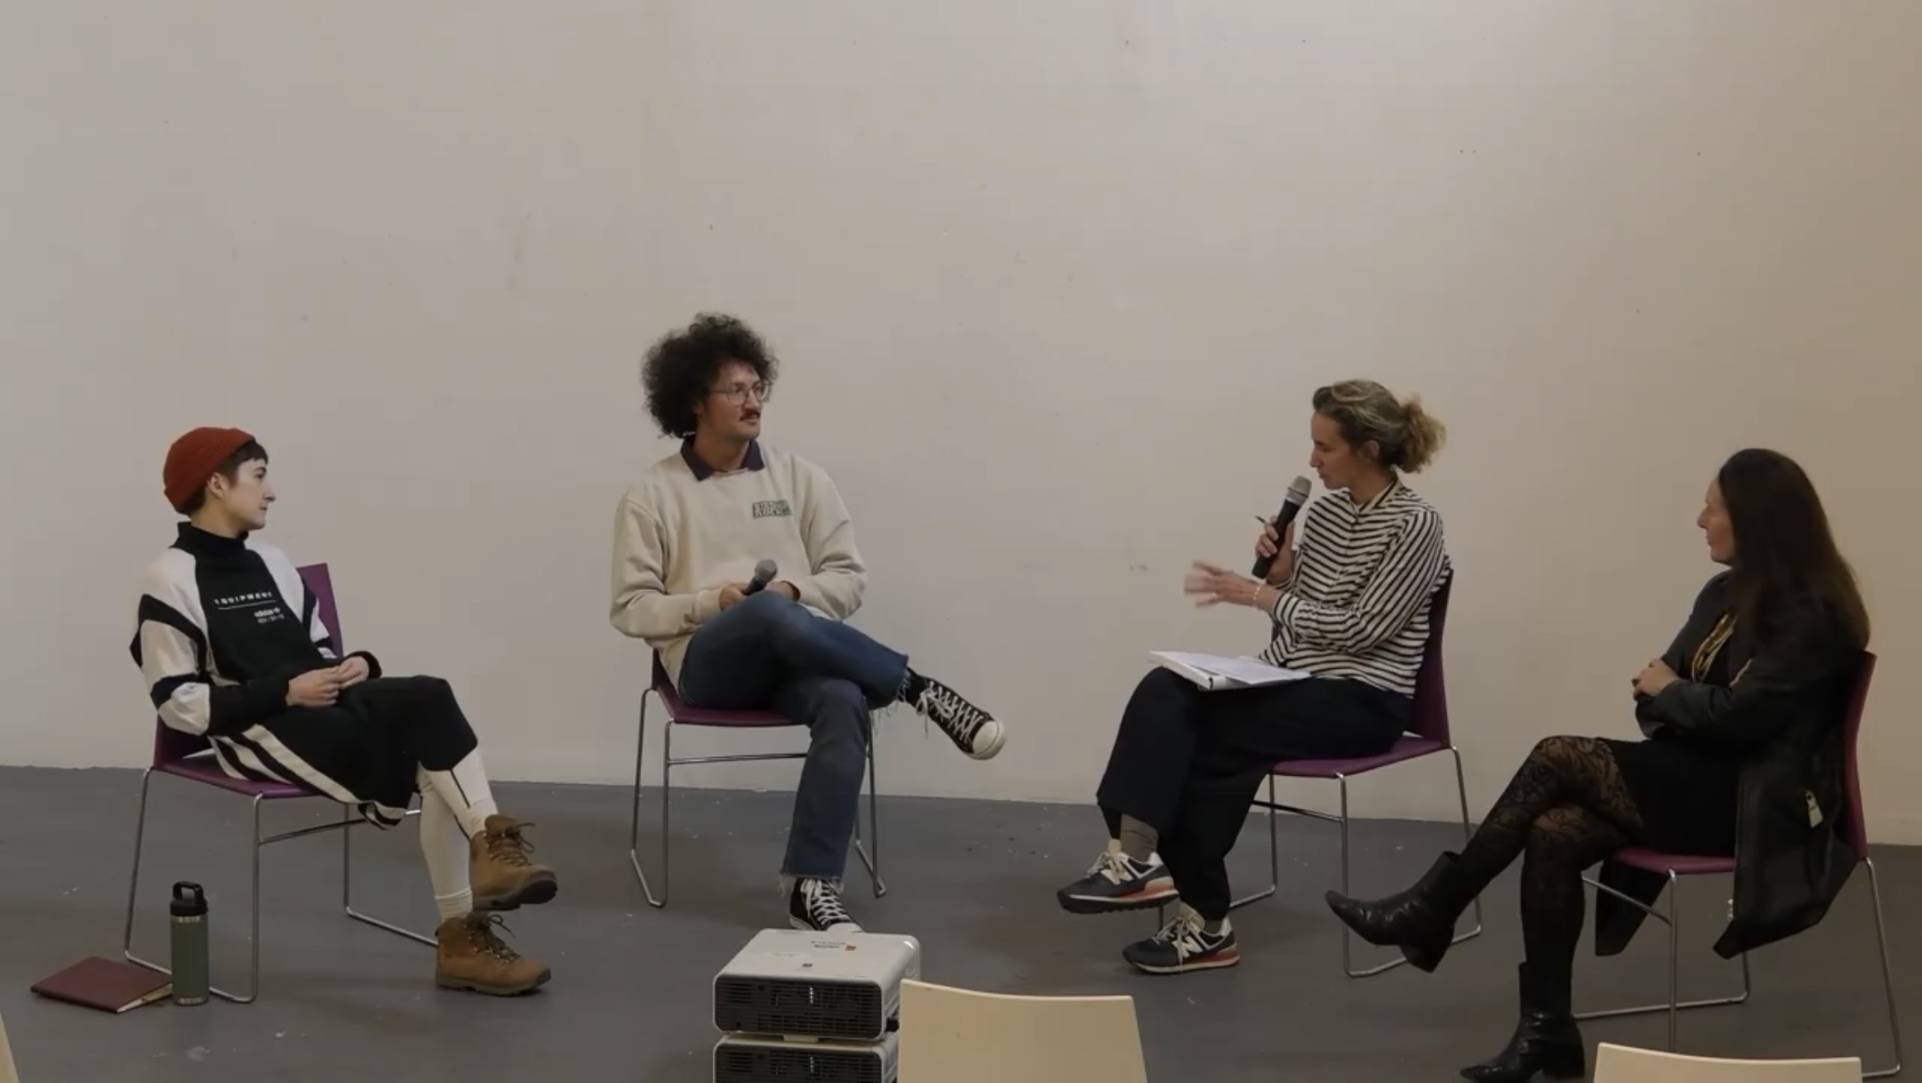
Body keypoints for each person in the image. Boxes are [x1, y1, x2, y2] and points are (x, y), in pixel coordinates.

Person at [1326, 448, 1871, 1083]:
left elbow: (1733, 715)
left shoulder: (1811, 614)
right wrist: (1683, 699)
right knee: (1553, 830)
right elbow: (1653, 691)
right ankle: (1546, 1029)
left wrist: (1679, 694)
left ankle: (1435, 908)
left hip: (1755, 805)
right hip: (1694, 773)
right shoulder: (1723, 593)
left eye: (1712, 509)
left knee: (1557, 753)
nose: (1700, 521)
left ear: (1754, 518)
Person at [610, 314, 1008, 933]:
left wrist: (795, 590)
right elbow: (630, 607)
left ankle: (811, 885)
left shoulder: (800, 477)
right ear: (694, 402)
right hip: (707, 667)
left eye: (757, 388)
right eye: (735, 390)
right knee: (769, 611)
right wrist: (714, 603)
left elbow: (848, 577)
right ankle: (915, 688)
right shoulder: (652, 494)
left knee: (843, 696)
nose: (752, 402)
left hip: (795, 656)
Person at [131, 428, 558, 997]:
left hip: (317, 704)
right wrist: (285, 692)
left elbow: (317, 650)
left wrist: (352, 666)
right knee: (433, 763)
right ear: (216, 484)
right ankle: (464, 932)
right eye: (259, 476)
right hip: (253, 727)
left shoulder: (274, 562)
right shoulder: (170, 577)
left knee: (429, 695)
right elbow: (177, 704)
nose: (271, 491)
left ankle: (487, 853)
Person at [1055, 379, 1450, 975]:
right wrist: (1285, 572)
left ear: (1368, 449)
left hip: (1363, 700)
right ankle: (1140, 862)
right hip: (1294, 679)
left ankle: (1193, 909)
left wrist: (1264, 595)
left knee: (1197, 742)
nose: (1312, 461)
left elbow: (1365, 630)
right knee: (1165, 690)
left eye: (1325, 447)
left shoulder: (1415, 524)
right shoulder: (1326, 512)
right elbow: (1307, 609)